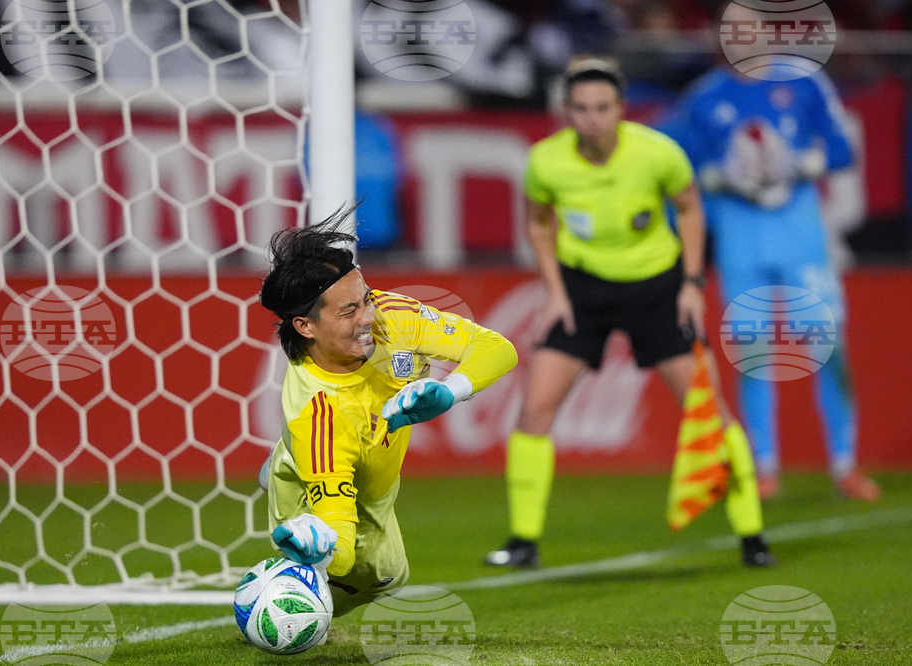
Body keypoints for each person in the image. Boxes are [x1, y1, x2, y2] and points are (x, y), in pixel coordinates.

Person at [485, 56, 774, 569]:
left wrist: (690, 283)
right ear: (566, 112)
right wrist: (555, 292)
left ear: (621, 109)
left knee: (708, 412)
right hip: (583, 290)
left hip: (657, 288)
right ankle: (522, 540)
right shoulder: (545, 162)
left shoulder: (658, 153)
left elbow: (690, 210)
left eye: (602, 107)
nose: (592, 118)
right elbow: (537, 225)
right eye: (581, 108)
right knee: (534, 408)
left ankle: (753, 535)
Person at [258, 207, 518, 616]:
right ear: (305, 327)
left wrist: (449, 393)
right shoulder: (319, 418)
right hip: (329, 457)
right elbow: (341, 546)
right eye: (349, 312)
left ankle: (285, 464)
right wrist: (319, 551)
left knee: (390, 576)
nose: (368, 317)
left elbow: (498, 349)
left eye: (365, 299)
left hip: (375, 474)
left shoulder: (392, 316)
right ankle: (279, 565)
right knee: (353, 577)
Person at [664, 42, 880, 502]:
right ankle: (764, 467)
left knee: (829, 347)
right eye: (733, 30)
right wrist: (714, 176)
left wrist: (805, 164)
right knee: (754, 357)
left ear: (765, 34)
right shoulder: (703, 97)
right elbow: (672, 165)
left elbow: (842, 150)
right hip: (741, 242)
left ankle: (845, 463)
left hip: (801, 240)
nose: (743, 39)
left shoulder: (803, 82)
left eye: (751, 29)